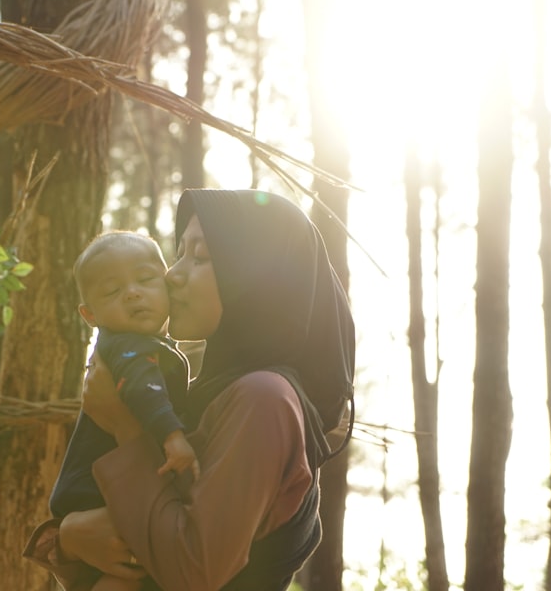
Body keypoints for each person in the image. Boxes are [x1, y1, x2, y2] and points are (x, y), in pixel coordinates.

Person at [24, 189, 356, 591]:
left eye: (199, 257)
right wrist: (71, 539)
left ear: (254, 278)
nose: (173, 274)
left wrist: (126, 427)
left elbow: (191, 572)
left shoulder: (265, 399)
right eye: (179, 253)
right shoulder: (212, 396)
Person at [48, 231, 199, 590]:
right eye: (112, 290)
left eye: (146, 279)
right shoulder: (128, 348)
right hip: (95, 496)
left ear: (166, 283)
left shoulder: (139, 345)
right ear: (90, 314)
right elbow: (141, 389)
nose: (132, 292)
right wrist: (173, 436)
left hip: (100, 495)